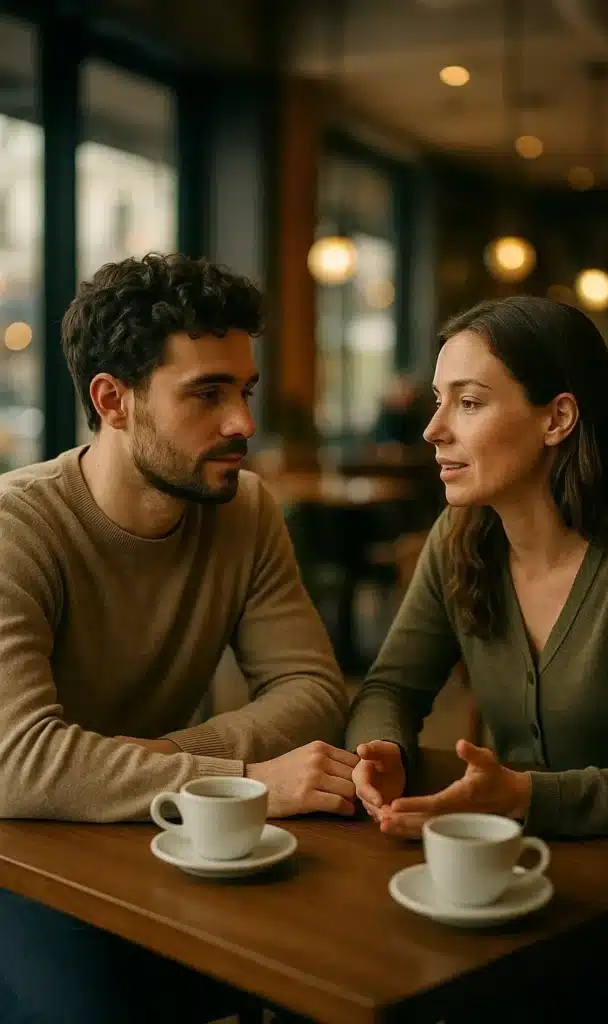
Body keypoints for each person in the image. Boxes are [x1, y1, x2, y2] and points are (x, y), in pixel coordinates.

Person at [0, 253, 355, 1023]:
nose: (243, 424)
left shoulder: (244, 509)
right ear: (112, 400)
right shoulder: (16, 529)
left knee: (335, 969)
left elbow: (315, 691)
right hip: (22, 854)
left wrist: (168, 761)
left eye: (245, 391)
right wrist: (239, 776)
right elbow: (21, 765)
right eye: (207, 394)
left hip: (158, 828)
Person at [347, 294, 608, 840]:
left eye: (470, 403)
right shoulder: (458, 539)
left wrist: (525, 796)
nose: (434, 429)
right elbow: (390, 688)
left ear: (558, 418)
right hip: (503, 864)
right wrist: (383, 749)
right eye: (438, 400)